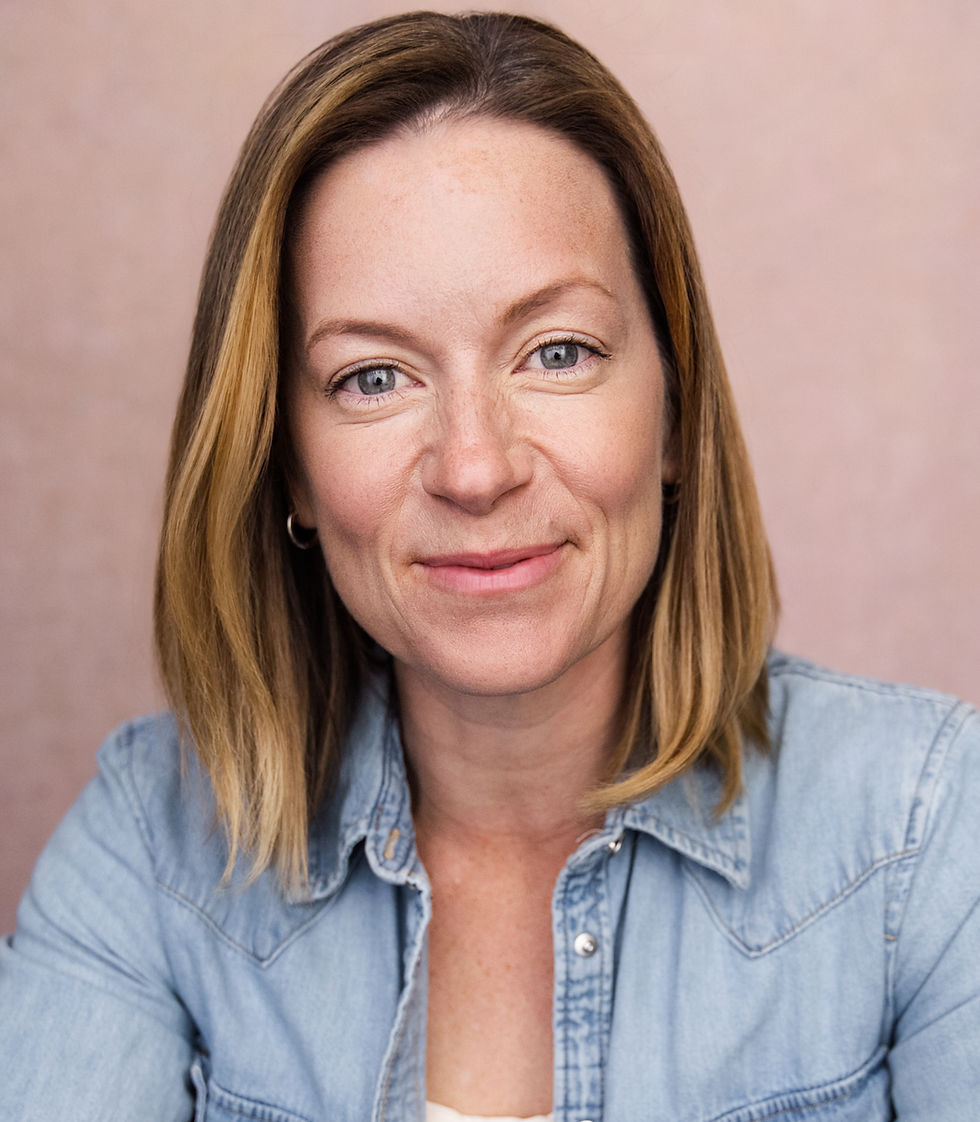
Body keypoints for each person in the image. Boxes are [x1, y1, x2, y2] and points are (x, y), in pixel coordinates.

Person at [1, 10, 977, 1121]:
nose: (474, 467)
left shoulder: (926, 836)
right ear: (285, 469)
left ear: (672, 413)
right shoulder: (148, 851)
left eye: (555, 353)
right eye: (373, 377)